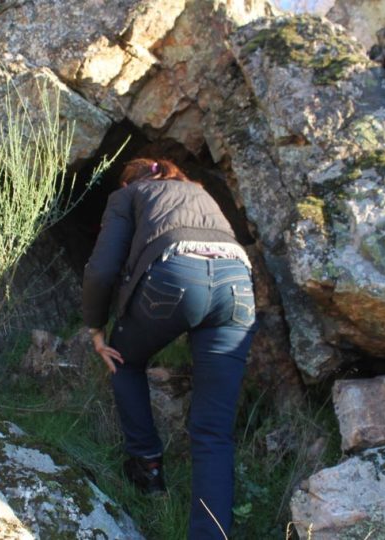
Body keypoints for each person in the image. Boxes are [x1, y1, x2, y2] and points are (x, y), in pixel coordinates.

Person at [82, 158, 257, 539]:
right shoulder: (199, 191)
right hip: (237, 286)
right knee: (214, 432)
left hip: (175, 275)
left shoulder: (128, 195)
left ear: (129, 182)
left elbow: (102, 268)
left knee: (124, 362)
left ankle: (147, 468)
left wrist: (96, 327)